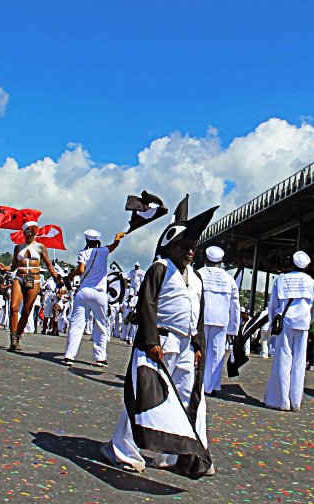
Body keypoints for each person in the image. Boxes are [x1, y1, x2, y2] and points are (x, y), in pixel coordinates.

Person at [103, 202, 216, 478]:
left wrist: (199, 344)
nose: (190, 251)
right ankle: (122, 448)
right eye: (184, 245)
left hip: (187, 346)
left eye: (193, 246)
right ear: (171, 247)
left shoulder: (197, 277)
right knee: (146, 396)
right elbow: (147, 306)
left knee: (189, 399)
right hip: (162, 343)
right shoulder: (160, 268)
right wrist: (151, 341)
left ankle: (177, 455)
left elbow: (198, 313)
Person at [263, 251, 314, 412]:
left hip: (285, 323)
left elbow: (273, 304)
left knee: (283, 360)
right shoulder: (311, 282)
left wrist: (272, 323)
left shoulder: (281, 279)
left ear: (291, 263)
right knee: (299, 362)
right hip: (302, 324)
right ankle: (295, 401)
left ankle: (281, 400)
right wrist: (309, 320)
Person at [63, 229, 125, 366]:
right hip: (100, 292)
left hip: (84, 291)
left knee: (77, 325)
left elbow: (80, 270)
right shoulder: (103, 251)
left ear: (86, 240)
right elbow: (114, 245)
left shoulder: (83, 253)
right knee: (101, 325)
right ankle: (100, 358)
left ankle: (69, 355)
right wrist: (117, 236)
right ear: (98, 240)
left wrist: (70, 276)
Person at [7, 222, 61, 352]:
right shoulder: (18, 247)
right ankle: (13, 338)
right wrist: (5, 268)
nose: (30, 234)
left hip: (33, 278)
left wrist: (55, 277)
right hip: (19, 277)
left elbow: (48, 265)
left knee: (26, 311)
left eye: (32, 232)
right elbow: (13, 266)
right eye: (27, 232)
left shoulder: (40, 247)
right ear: (24, 233)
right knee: (14, 307)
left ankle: (18, 335)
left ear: (36, 233)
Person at [198, 246, 241, 396]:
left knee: (198, 351)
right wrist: (233, 329)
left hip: (200, 319)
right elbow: (235, 306)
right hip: (221, 320)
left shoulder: (198, 274)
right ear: (221, 261)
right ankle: (211, 386)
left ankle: (196, 382)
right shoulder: (229, 279)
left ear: (205, 258)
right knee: (216, 354)